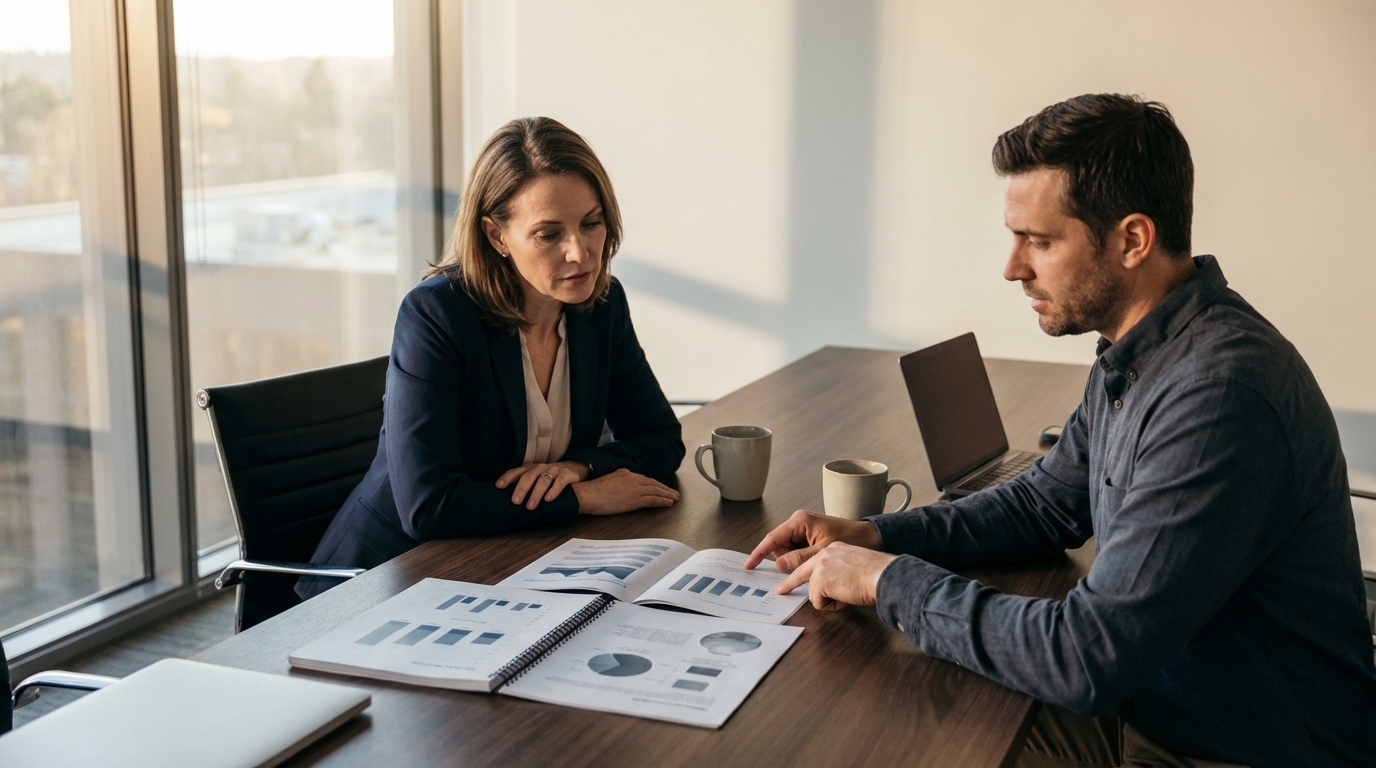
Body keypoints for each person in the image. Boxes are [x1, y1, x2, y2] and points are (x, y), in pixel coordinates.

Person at [746, 94, 1376, 766]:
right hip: (1156, 708)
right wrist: (874, 535)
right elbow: (1046, 502)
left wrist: (887, 580)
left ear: (1132, 240)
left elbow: (1086, 655)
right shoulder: (1144, 348)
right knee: (898, 711)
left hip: (1231, 750)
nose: (1013, 267)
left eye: (1039, 241)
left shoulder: (1217, 396)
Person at [299, 117, 684, 598]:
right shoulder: (437, 314)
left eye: (591, 223)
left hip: (508, 565)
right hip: (383, 580)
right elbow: (429, 506)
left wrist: (578, 467)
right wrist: (581, 497)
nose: (580, 253)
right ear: (497, 236)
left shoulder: (600, 305)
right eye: (548, 234)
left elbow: (661, 439)